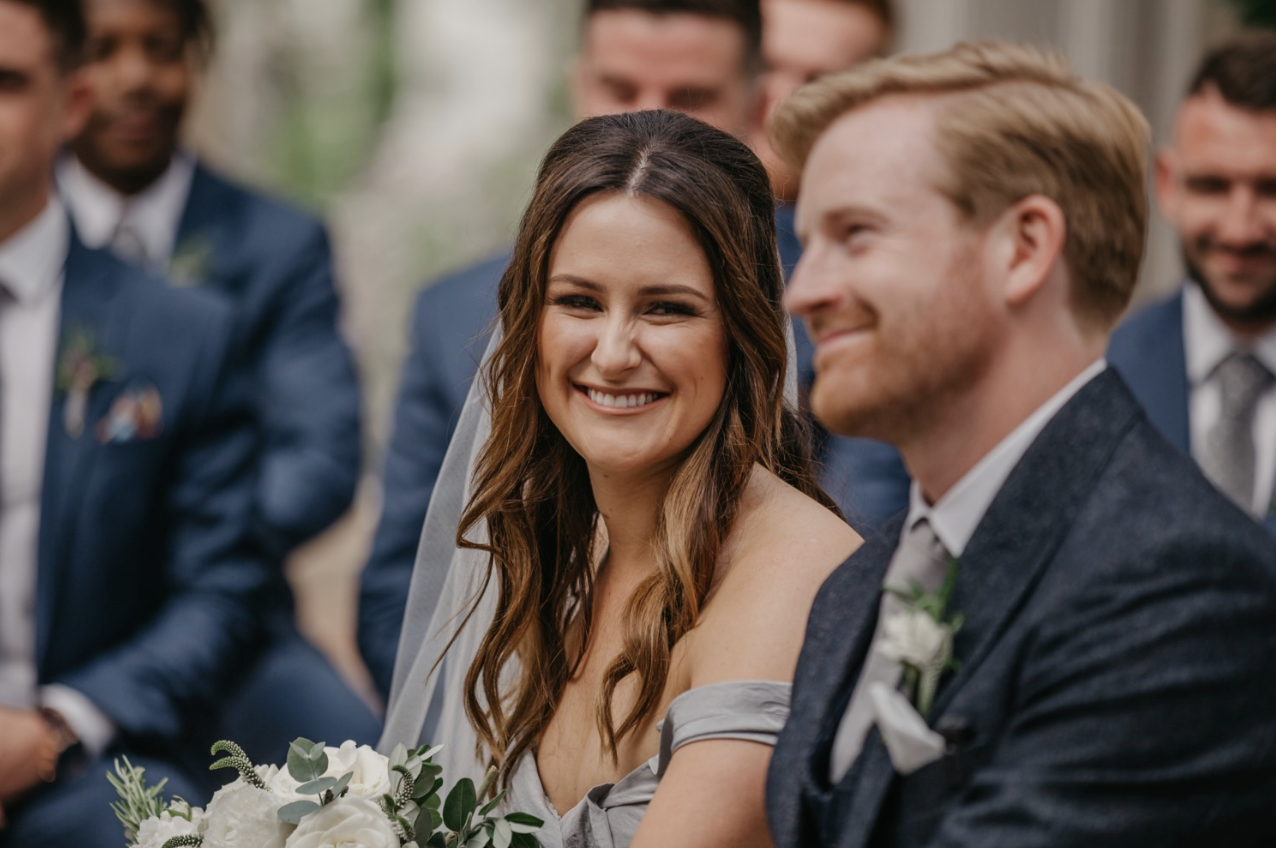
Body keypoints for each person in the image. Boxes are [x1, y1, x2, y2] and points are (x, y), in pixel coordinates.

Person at [764, 42, 1276, 847]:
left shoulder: (1180, 588)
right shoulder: (856, 584)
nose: (803, 291)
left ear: (1025, 247)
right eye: (809, 238)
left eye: (856, 234)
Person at [358, 0, 906, 702]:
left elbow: (865, 548)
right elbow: (405, 593)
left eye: (691, 97)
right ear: (577, 84)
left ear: (756, 100)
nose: (612, 353)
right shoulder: (448, 311)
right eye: (620, 90)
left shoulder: (833, 299)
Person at [381, 109, 860, 848]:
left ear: (743, 330)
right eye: (579, 301)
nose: (612, 353)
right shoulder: (569, 553)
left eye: (666, 309)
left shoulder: (793, 582)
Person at [57, 0, 379, 763]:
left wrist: (200, 547)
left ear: (196, 56)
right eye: (102, 50)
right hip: (46, 630)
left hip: (231, 622)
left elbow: (321, 455)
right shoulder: (21, 232)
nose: (134, 77)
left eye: (161, 47)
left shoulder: (277, 244)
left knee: (367, 771)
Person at [0, 0, 272, 844]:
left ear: (70, 104)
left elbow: (220, 591)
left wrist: (55, 726)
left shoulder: (182, 335)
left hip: (73, 764)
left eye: (4, 83)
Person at [1109, 31, 1276, 536]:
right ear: (1167, 183)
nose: (1240, 228)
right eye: (1212, 186)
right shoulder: (1101, 375)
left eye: (1271, 189)